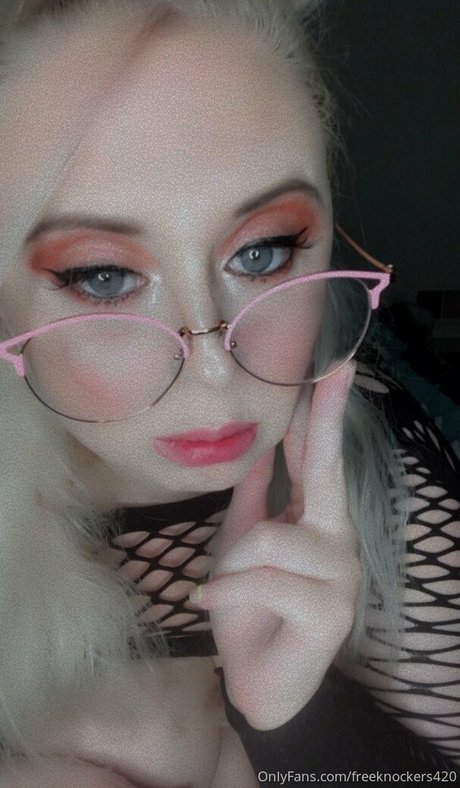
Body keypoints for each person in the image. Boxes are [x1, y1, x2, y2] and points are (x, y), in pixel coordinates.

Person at [0, 0, 458, 785]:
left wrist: (294, 724)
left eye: (263, 252)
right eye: (103, 276)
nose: (216, 369)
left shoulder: (390, 490)